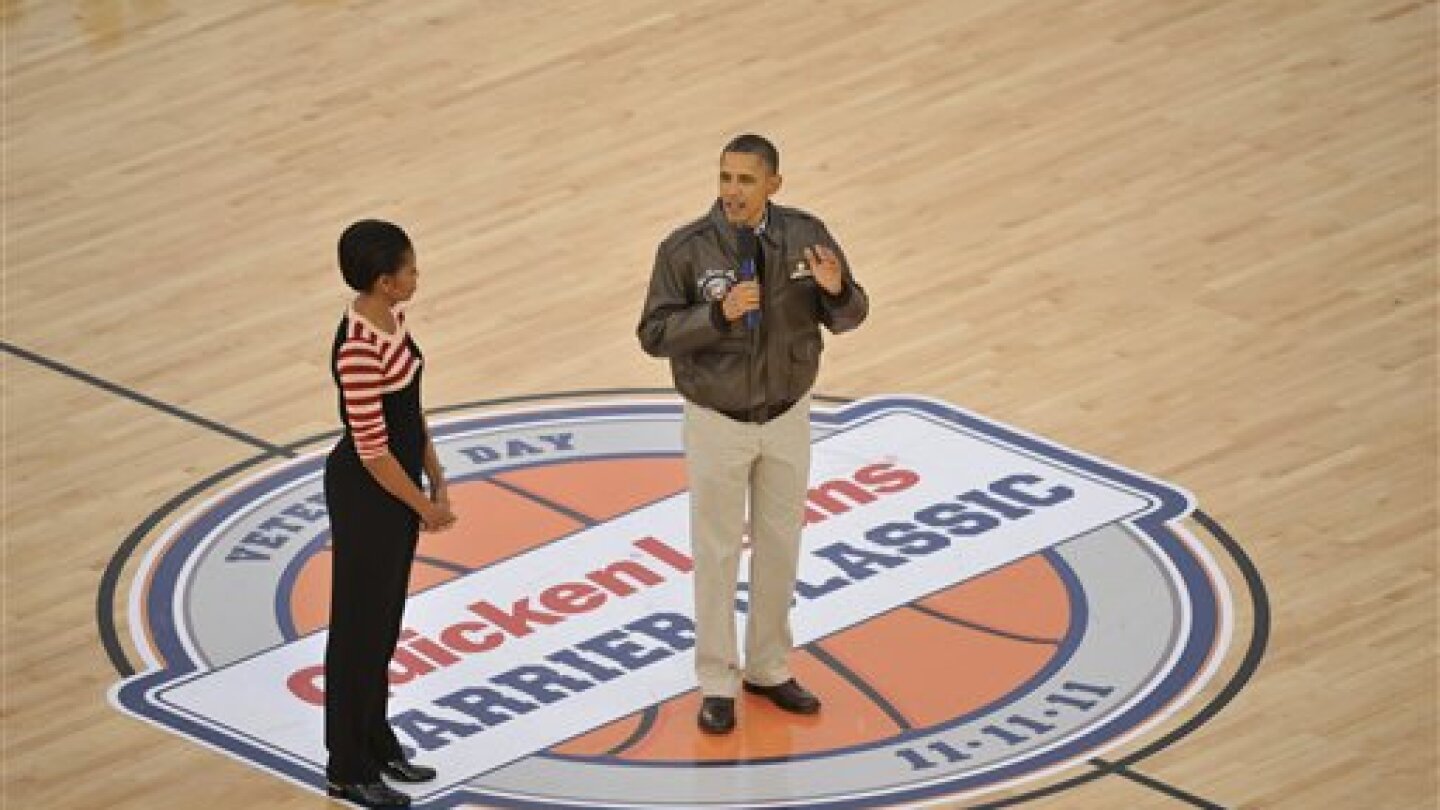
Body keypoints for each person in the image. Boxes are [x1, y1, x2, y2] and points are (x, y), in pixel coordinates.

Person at [637, 134, 869, 734]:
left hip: (788, 416)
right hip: (718, 422)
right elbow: (654, 334)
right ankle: (717, 680)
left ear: (774, 185)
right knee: (716, 554)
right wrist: (718, 316)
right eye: (724, 178)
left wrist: (837, 289)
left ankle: (768, 666)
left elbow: (852, 313)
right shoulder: (685, 250)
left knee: (780, 546)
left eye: (744, 180)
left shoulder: (806, 233)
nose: (732, 192)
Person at [323, 219, 457, 807]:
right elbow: (373, 451)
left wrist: (438, 472)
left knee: (383, 627)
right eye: (409, 269)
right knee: (357, 632)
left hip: (398, 489)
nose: (416, 276)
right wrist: (424, 505)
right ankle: (346, 764)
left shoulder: (392, 321)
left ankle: (376, 739)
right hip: (369, 498)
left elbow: (410, 411)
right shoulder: (357, 347)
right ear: (383, 282)